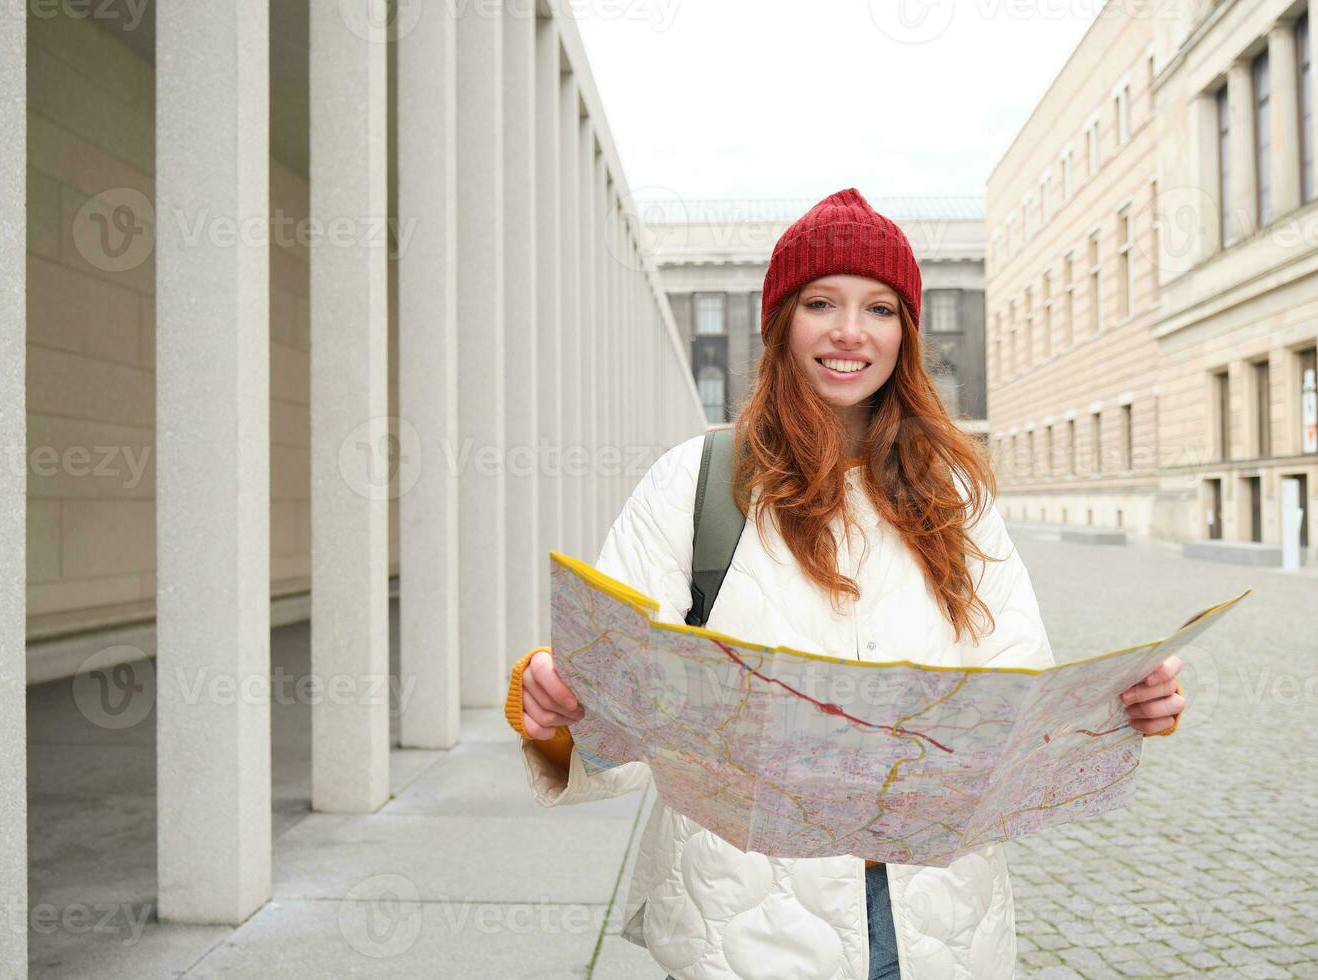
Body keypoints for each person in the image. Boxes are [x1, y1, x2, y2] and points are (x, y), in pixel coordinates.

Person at [502, 188, 1186, 980]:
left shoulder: (958, 496)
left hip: (940, 924)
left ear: (907, 333)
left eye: (881, 308)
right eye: (821, 302)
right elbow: (618, 711)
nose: (850, 332)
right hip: (745, 931)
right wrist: (554, 709)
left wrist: (1118, 708)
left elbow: (1017, 689)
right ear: (781, 323)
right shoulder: (695, 482)